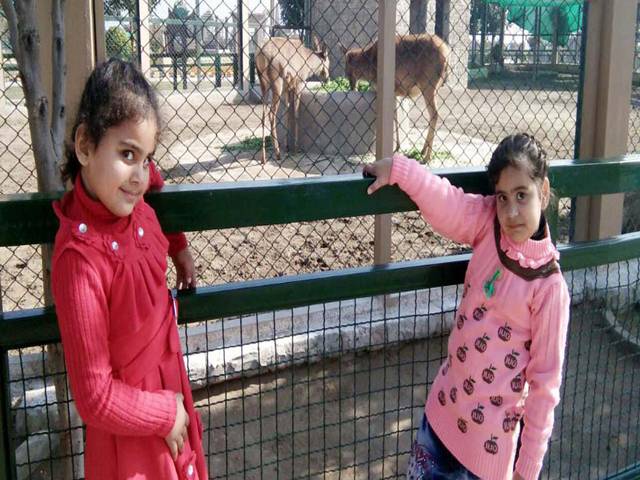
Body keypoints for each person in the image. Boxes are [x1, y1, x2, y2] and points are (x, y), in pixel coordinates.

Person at [364, 134, 570, 480]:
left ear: (544, 191)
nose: (511, 211)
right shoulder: (487, 223)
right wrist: (400, 169)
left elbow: (545, 388)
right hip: (439, 421)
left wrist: (527, 469)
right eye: (502, 198)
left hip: (484, 460)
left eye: (523, 195)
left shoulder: (550, 290)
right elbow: (448, 202)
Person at [51, 59, 206, 479]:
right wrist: (165, 414)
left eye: (146, 157)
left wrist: (178, 247)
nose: (139, 175)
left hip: (169, 395)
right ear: (84, 146)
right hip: (132, 436)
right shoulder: (80, 261)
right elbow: (95, 397)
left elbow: (152, 181)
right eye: (126, 154)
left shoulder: (135, 200)